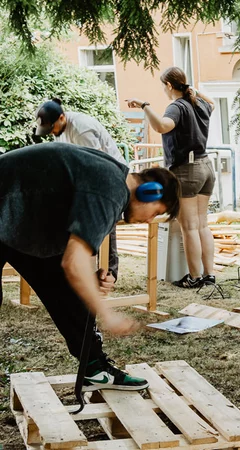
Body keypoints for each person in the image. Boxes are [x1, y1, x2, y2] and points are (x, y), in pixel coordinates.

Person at [0, 142, 181, 391]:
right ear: (149, 192)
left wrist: (94, 276)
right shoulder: (110, 188)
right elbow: (73, 262)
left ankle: (93, 368)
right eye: (155, 212)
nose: (149, 220)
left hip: (22, 224)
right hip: (10, 213)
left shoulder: (112, 181)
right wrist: (108, 315)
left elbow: (86, 243)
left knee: (69, 294)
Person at [126, 67, 216, 289]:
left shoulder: (177, 107)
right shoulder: (199, 103)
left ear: (168, 85)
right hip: (206, 166)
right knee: (203, 224)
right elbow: (212, 102)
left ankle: (195, 277)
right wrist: (194, 90)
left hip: (187, 169)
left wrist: (145, 106)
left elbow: (161, 126)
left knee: (190, 226)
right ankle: (209, 274)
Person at [34, 98, 126, 289]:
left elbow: (97, 167)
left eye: (52, 127)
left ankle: (109, 273)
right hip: (91, 174)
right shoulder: (59, 128)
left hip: (111, 175)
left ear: (61, 117)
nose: (51, 132)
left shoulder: (82, 129)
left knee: (104, 221)